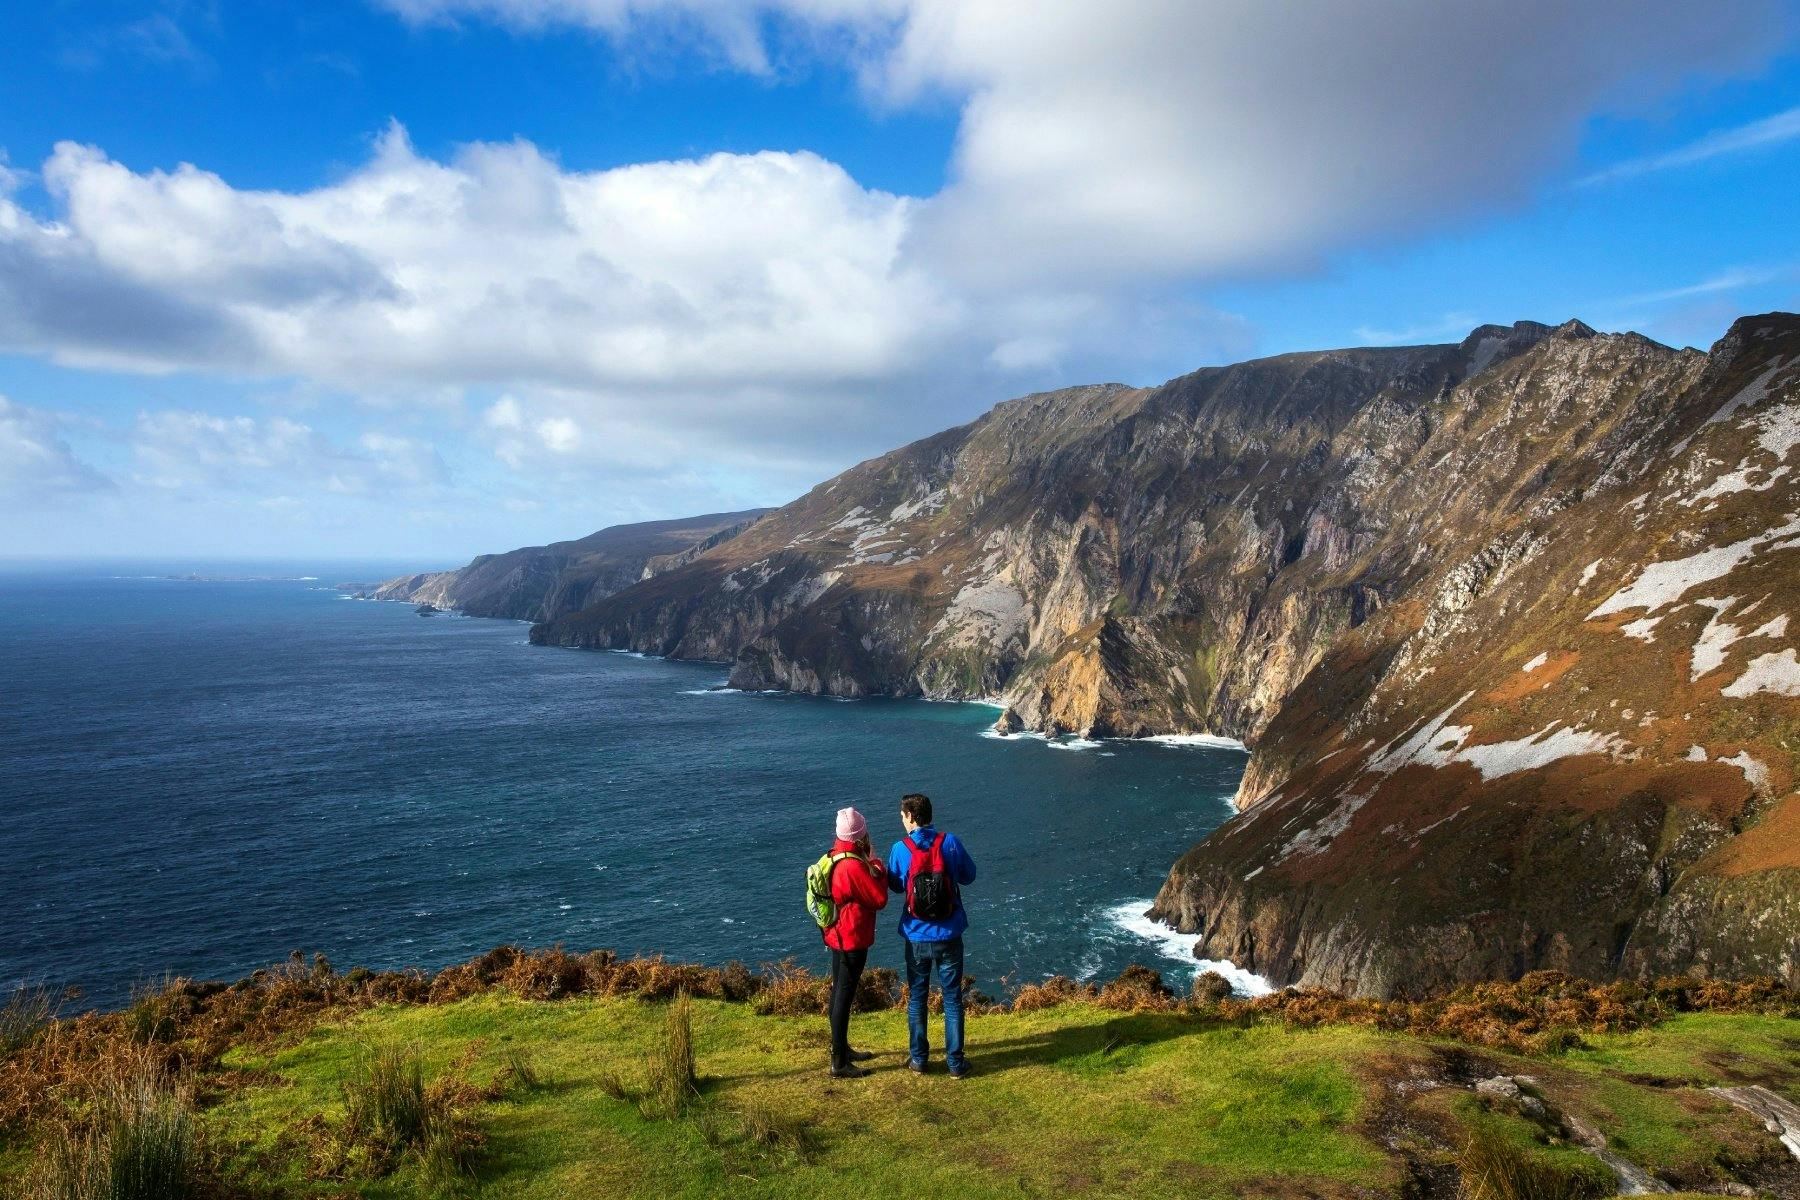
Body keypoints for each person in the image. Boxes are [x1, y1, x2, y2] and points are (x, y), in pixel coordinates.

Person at [886, 793, 977, 1077]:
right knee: (952, 999)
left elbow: (896, 887)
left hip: (916, 935)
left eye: (902, 816)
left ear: (911, 816)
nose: (902, 820)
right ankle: (955, 1063)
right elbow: (969, 875)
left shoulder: (900, 848)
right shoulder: (949, 842)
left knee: (917, 997)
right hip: (949, 933)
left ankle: (919, 1059)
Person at [822, 806, 888, 1078]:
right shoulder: (852, 865)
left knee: (839, 992)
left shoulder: (834, 856)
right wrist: (878, 866)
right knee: (843, 996)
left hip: (837, 934)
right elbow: (878, 899)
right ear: (859, 836)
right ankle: (839, 1062)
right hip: (851, 938)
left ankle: (841, 1048)